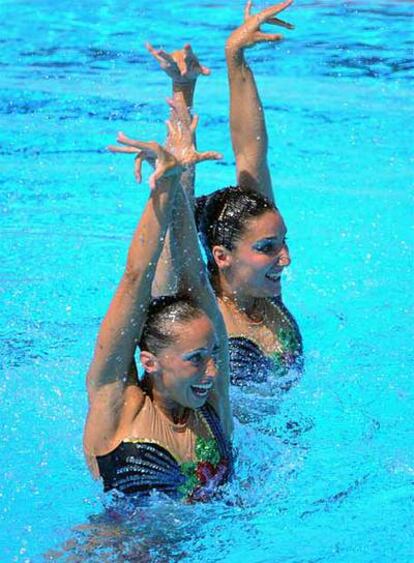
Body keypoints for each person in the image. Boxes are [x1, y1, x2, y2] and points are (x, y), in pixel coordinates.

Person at [145, 0, 302, 391]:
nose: (285, 258)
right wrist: (182, 93)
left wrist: (237, 59)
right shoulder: (196, 308)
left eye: (282, 243)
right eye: (267, 247)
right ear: (221, 256)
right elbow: (174, 222)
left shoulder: (263, 295)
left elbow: (251, 154)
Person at [83, 112, 233, 502]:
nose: (213, 370)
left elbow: (196, 279)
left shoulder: (211, 402)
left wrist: (175, 182)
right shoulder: (118, 403)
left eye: (214, 353)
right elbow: (136, 279)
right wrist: (161, 191)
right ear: (149, 361)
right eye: (197, 358)